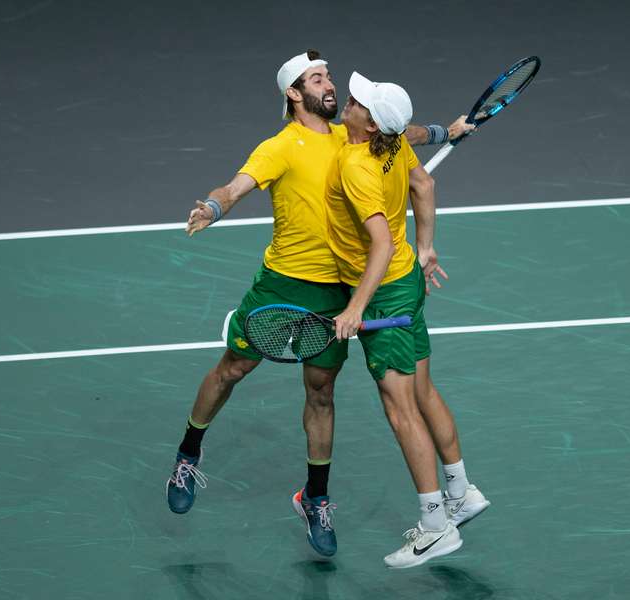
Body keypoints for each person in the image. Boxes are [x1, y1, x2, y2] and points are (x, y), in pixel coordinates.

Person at [165, 50, 472, 559]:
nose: (329, 84)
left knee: (321, 391)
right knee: (231, 370)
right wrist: (214, 206)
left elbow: (405, 134)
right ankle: (187, 453)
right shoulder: (280, 147)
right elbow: (238, 185)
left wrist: (445, 132)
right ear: (293, 93)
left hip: (341, 289)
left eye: (329, 76)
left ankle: (316, 497)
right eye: (316, 78)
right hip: (283, 283)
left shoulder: (356, 137)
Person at [325, 71, 489, 568]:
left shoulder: (357, 163)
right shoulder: (393, 144)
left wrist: (356, 306)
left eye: (358, 101)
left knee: (400, 410)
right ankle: (462, 491)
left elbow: (379, 242)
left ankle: (436, 526)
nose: (349, 100)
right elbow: (423, 180)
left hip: (382, 297)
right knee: (422, 391)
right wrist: (427, 247)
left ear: (369, 124)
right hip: (407, 284)